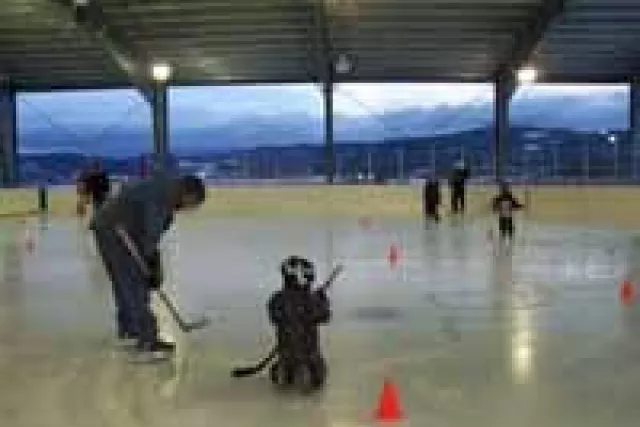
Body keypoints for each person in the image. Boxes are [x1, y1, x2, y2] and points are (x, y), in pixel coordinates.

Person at [90, 173, 206, 360]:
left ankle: (130, 330)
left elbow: (151, 233)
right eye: (193, 203)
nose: (190, 208)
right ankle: (148, 341)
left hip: (110, 227)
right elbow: (150, 235)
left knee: (125, 283)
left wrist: (153, 263)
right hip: (116, 231)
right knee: (134, 284)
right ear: (188, 194)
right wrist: (151, 266)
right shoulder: (163, 196)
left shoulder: (166, 189)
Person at [267, 256, 331, 392]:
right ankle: (287, 370)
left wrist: (320, 301)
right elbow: (324, 316)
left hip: (295, 351)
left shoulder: (278, 298)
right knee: (316, 370)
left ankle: (288, 370)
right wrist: (320, 303)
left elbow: (323, 316)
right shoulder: (309, 299)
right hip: (301, 351)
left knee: (312, 368)